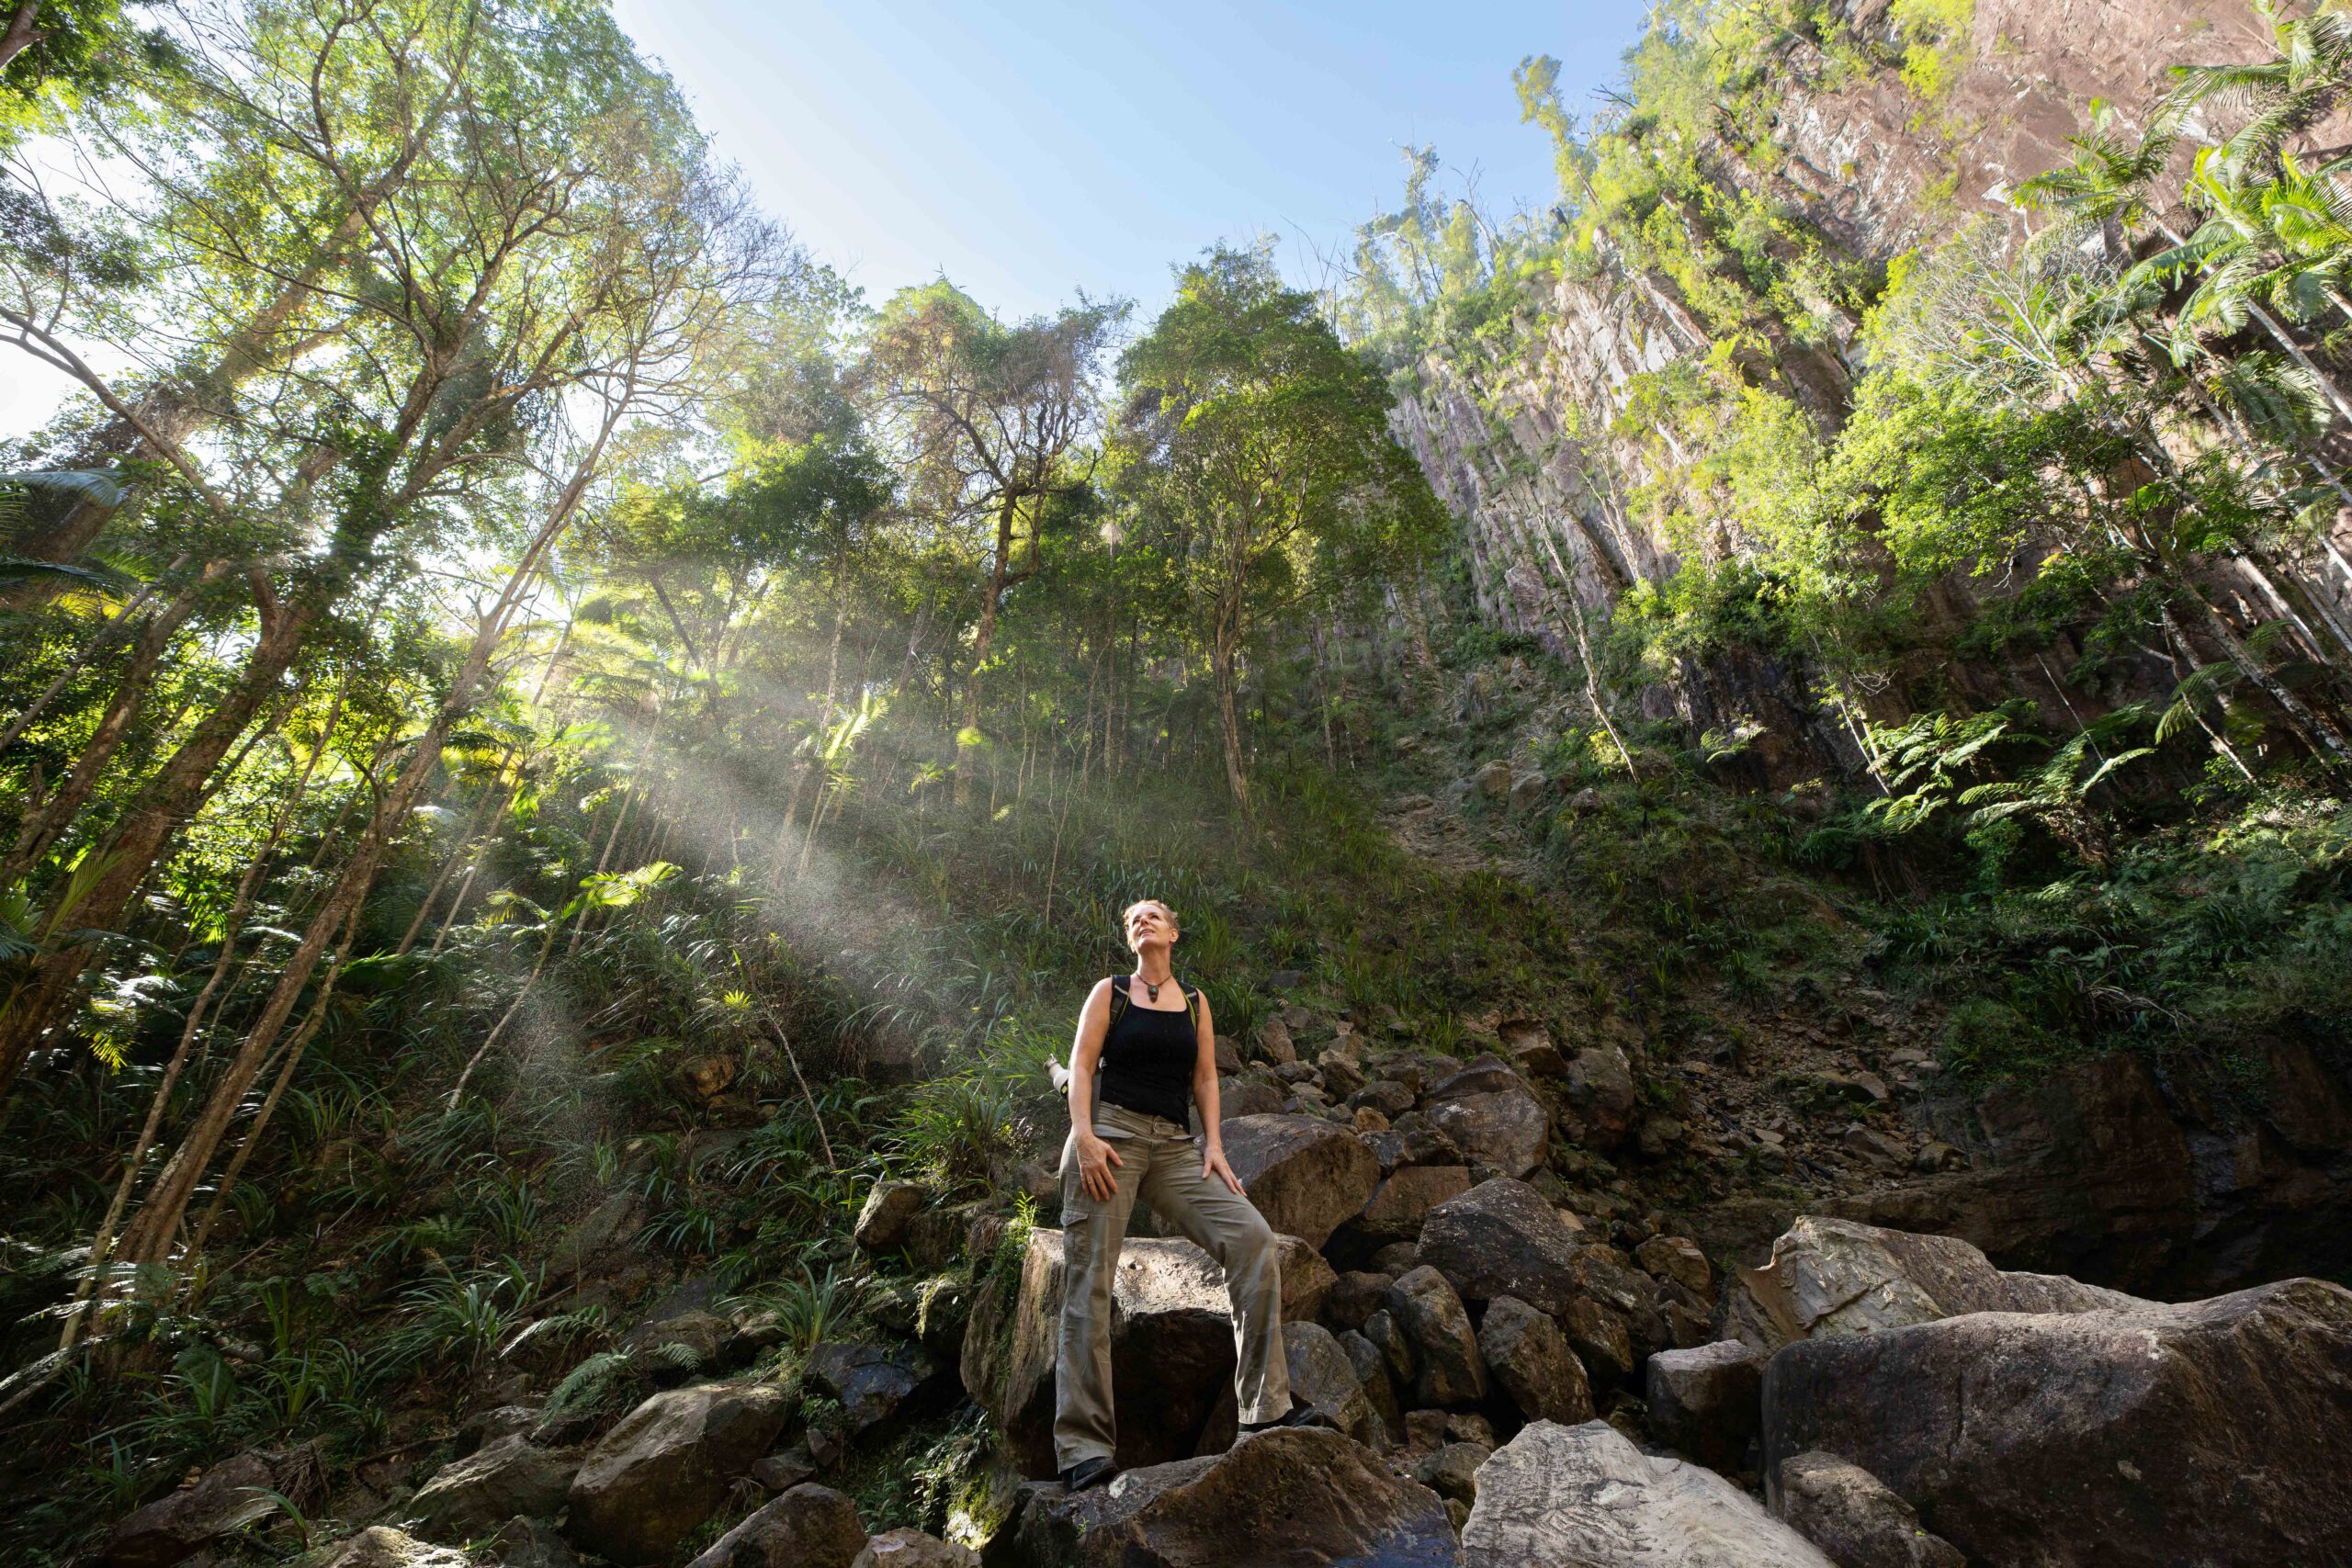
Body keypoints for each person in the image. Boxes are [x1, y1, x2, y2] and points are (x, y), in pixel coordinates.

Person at [1049, 897, 1332, 1495]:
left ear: (1173, 932)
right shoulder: (1110, 993)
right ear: (1131, 939)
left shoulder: (1196, 1004)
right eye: (1133, 919)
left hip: (1177, 1147)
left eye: (1152, 914)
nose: (1142, 920)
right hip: (1111, 1139)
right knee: (1089, 1284)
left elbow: (1205, 1077)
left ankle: (1265, 1411)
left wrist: (1215, 1145)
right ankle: (1083, 1446)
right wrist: (1085, 1135)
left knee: (1252, 1237)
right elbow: (1080, 1063)